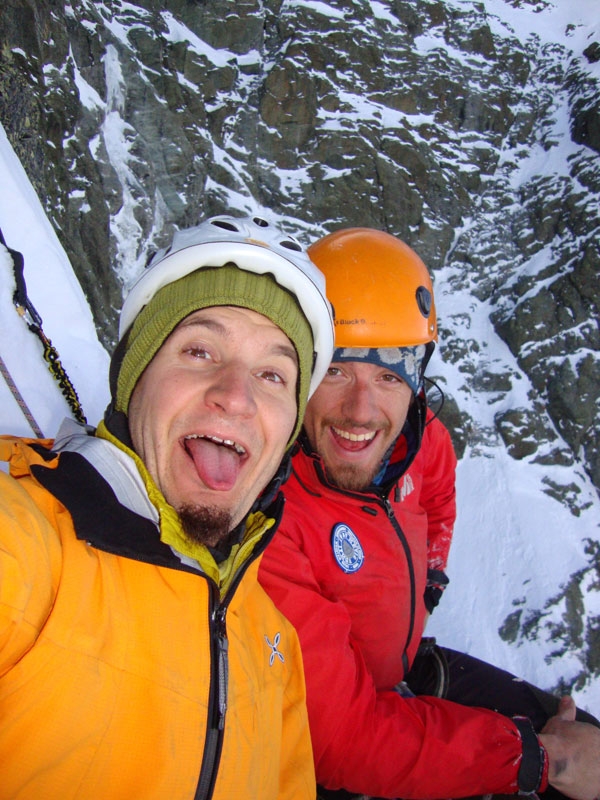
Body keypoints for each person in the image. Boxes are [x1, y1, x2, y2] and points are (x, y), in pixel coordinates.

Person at [258, 227, 600, 800]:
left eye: (389, 375)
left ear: (416, 385)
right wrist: (550, 759)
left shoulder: (420, 439)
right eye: (336, 370)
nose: (360, 412)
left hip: (409, 665)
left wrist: (431, 580)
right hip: (336, 749)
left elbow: (438, 496)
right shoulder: (271, 515)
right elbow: (344, 738)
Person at [0, 214, 335, 799]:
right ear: (136, 379)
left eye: (273, 375)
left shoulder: (274, 645)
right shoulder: (29, 549)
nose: (236, 396)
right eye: (200, 350)